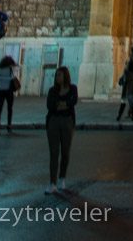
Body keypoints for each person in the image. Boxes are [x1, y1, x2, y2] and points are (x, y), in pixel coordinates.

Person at [45, 66, 78, 194]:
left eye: (59, 75)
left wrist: (61, 105)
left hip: (67, 122)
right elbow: (51, 106)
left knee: (65, 152)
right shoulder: (52, 90)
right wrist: (64, 105)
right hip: (53, 121)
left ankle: (62, 178)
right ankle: (52, 183)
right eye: (56, 75)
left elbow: (72, 102)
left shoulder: (72, 88)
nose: (57, 77)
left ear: (65, 76)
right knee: (54, 153)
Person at [0, 55, 19, 136]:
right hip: (9, 91)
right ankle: (9, 126)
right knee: (10, 109)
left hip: (1, 91)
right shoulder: (10, 69)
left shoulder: (0, 69)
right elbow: (13, 78)